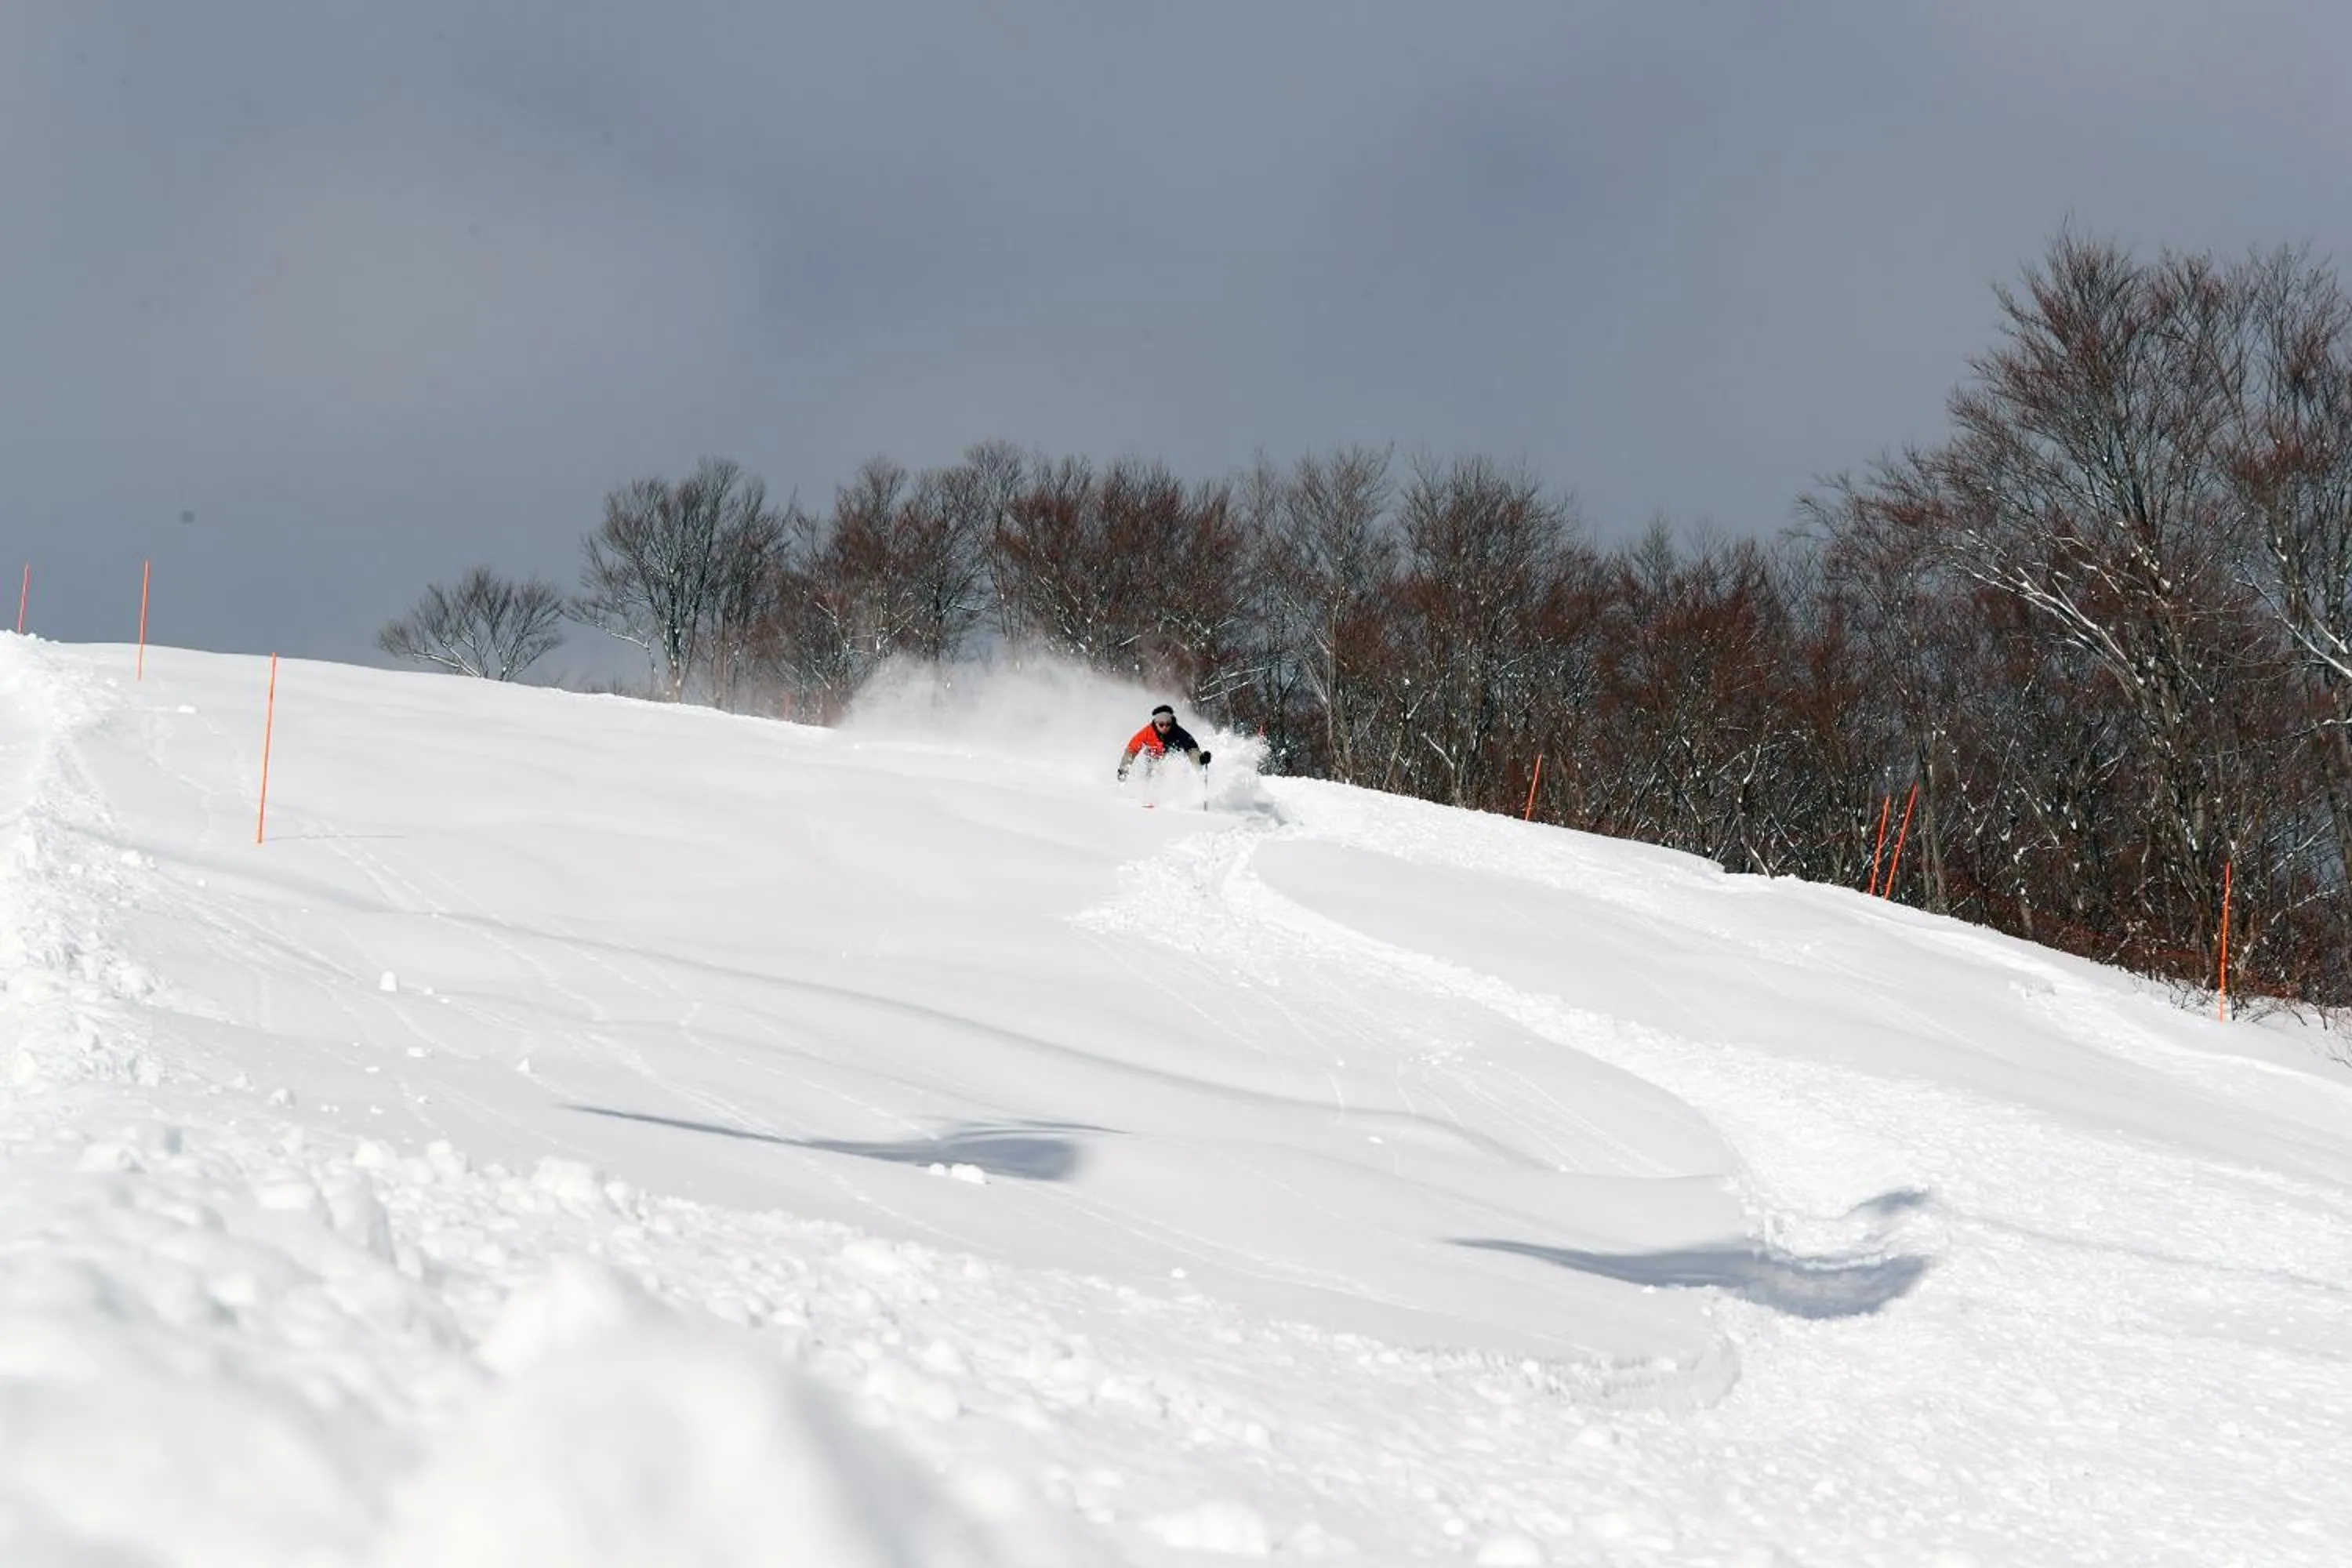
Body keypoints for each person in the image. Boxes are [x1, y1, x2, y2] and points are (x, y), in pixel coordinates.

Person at [1117, 703, 1211, 781]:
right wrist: (1123, 769)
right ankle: (1149, 795)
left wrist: (1200, 760)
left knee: (1173, 767)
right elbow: (1132, 750)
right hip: (1153, 760)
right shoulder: (1147, 732)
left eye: (1168, 724)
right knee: (1152, 767)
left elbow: (1192, 749)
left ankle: (1173, 795)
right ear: (1156, 724)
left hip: (1171, 761)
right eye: (1161, 725)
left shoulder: (1179, 733)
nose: (1165, 727)